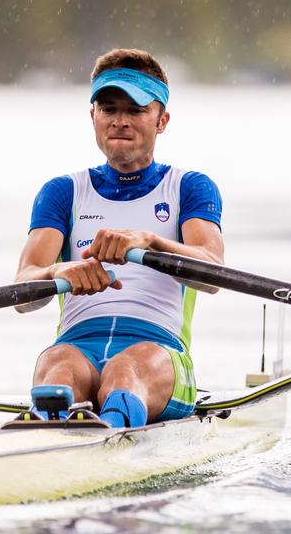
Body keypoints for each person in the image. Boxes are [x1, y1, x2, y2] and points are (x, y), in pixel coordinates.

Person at [14, 48, 224, 428]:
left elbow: (211, 275)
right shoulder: (62, 192)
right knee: (58, 367)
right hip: (79, 345)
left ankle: (107, 433)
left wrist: (151, 242)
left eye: (136, 110)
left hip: (159, 352)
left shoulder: (190, 188)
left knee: (125, 371)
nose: (120, 121)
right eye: (109, 109)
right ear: (93, 116)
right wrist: (60, 271)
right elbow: (22, 293)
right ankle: (51, 427)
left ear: (162, 120)